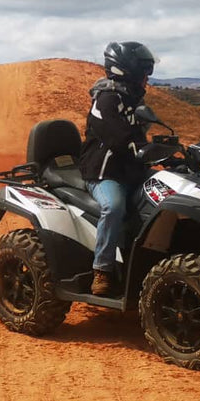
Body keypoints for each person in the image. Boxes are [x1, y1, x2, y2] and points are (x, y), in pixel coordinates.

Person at [79, 41, 157, 295]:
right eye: (144, 71)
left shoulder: (132, 99)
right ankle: (102, 269)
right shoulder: (106, 100)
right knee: (113, 207)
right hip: (103, 173)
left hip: (129, 171)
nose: (148, 78)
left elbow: (141, 134)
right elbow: (118, 138)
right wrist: (140, 149)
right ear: (128, 71)